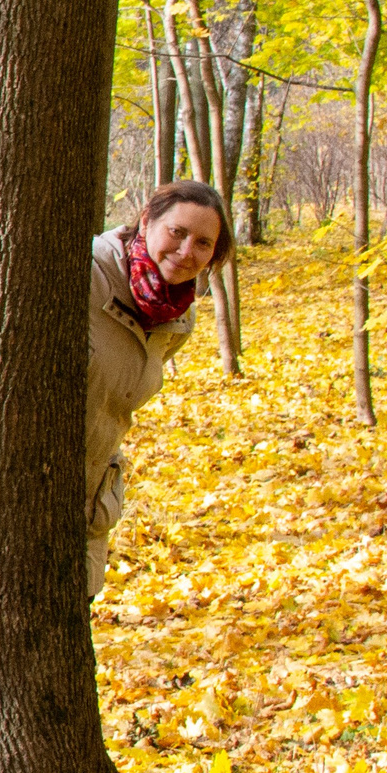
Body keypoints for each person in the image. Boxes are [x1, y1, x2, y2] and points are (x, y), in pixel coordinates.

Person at [88, 180, 231, 598]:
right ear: (147, 221)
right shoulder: (87, 273)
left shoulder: (178, 318)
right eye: (178, 232)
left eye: (204, 243)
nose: (187, 252)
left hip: (90, 507)